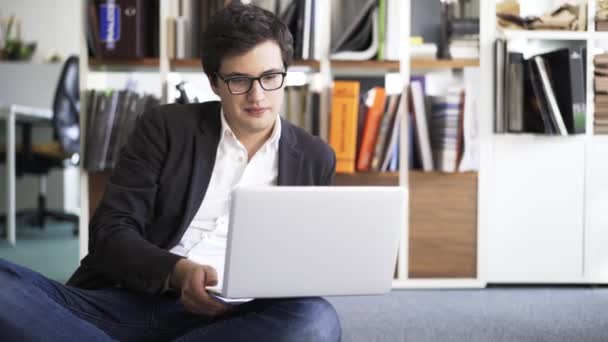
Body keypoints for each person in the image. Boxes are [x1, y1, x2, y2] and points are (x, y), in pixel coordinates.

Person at [0, 3, 341, 341]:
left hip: (233, 320)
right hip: (124, 303)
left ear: (285, 74)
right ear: (214, 82)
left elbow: (302, 266)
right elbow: (110, 231)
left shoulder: (315, 158)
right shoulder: (165, 127)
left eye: (270, 77)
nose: (257, 95)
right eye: (239, 80)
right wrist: (176, 272)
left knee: (316, 320)